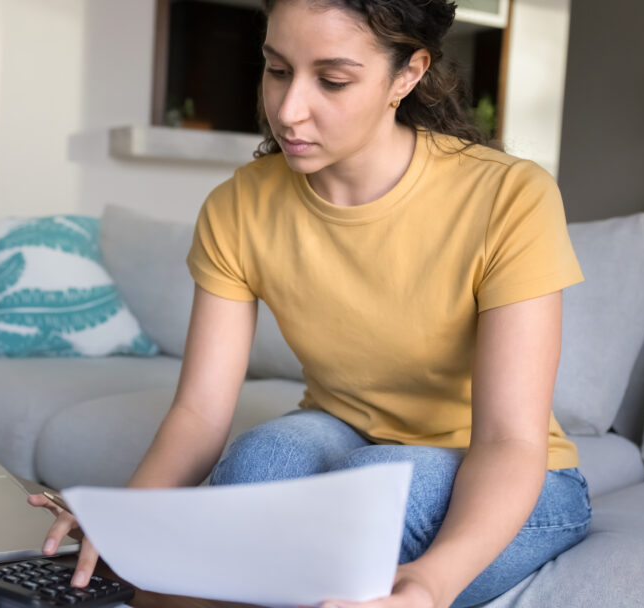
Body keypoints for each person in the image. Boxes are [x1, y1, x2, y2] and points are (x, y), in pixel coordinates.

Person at [29, 1, 591, 606]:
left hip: (515, 476)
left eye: (332, 80)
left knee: (373, 489)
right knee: (259, 460)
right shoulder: (239, 204)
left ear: (408, 74)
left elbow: (511, 441)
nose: (289, 111)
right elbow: (198, 414)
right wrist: (126, 525)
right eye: (277, 70)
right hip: (349, 432)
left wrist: (430, 584)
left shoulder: (509, 196)